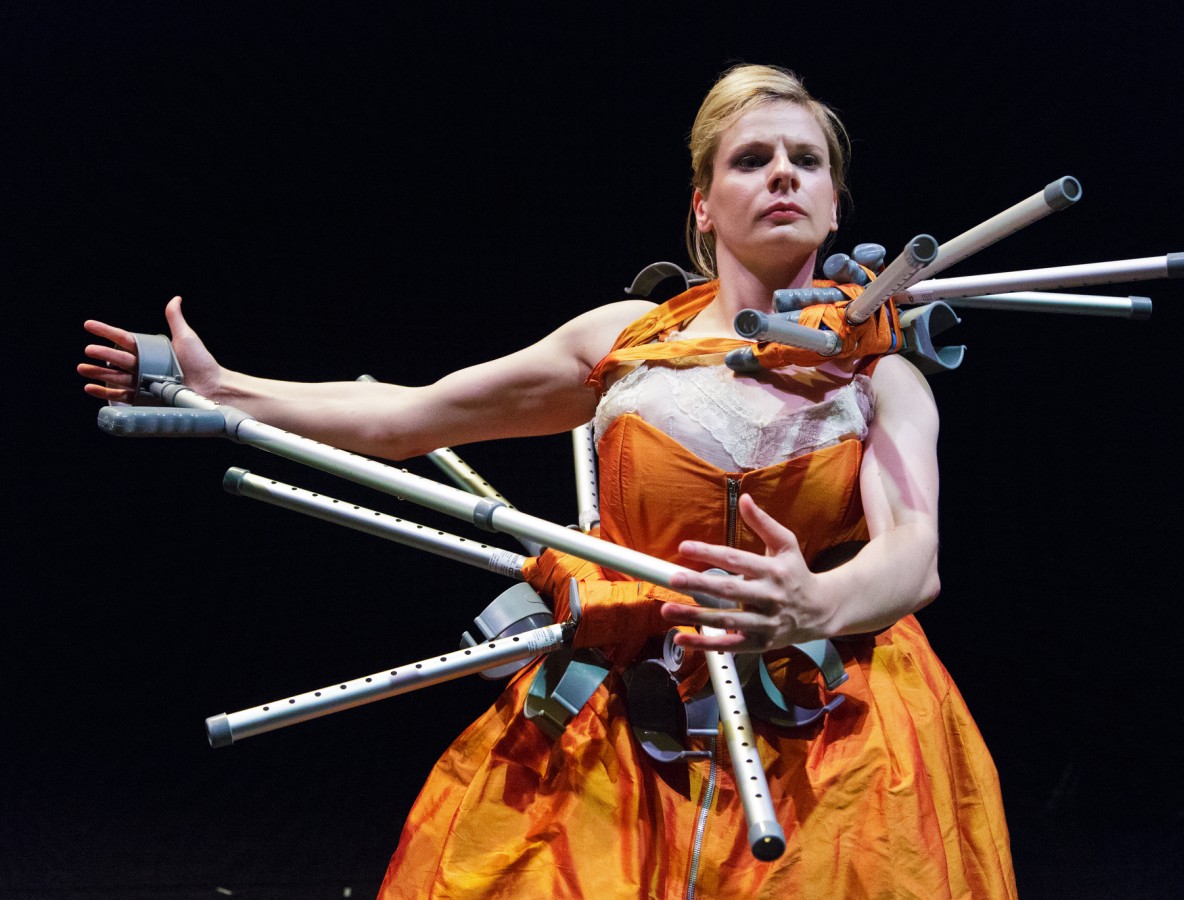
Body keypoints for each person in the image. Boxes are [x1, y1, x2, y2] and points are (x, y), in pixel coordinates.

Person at [80, 64, 1016, 899]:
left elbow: (913, 554)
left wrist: (815, 599)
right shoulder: (622, 344)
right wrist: (221, 388)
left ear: (837, 202)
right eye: (751, 159)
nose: (781, 175)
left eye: (806, 161)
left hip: (832, 729)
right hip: (617, 711)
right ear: (701, 203)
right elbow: (407, 419)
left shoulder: (880, 374)